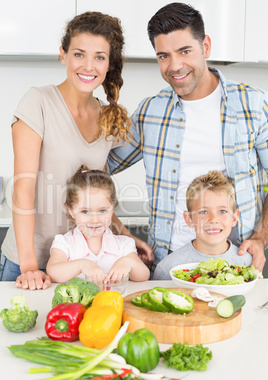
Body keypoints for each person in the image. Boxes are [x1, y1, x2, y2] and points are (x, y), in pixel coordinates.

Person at [108, 2, 268, 273]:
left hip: (240, 259)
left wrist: (261, 238)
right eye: (163, 56)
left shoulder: (252, 103)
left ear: (205, 46)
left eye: (184, 51)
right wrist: (119, 230)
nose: (175, 65)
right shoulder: (151, 112)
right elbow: (98, 168)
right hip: (170, 261)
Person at [0, 11, 151, 290]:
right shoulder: (38, 102)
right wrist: (31, 266)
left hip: (81, 264)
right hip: (31, 263)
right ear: (63, 55)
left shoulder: (107, 117)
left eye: (99, 57)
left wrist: (127, 238)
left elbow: (96, 195)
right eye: (79, 54)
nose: (88, 66)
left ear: (109, 64)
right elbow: (23, 189)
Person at [46, 165, 150, 283]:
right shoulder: (65, 243)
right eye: (85, 211)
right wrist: (82, 265)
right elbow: (53, 272)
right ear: (71, 211)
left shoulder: (124, 245)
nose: (94, 220)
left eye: (102, 211)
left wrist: (129, 262)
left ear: (113, 209)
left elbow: (143, 276)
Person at [153, 171, 253, 279]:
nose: (213, 219)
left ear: (234, 218)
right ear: (189, 219)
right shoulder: (167, 268)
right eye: (204, 212)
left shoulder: (247, 262)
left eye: (222, 211)